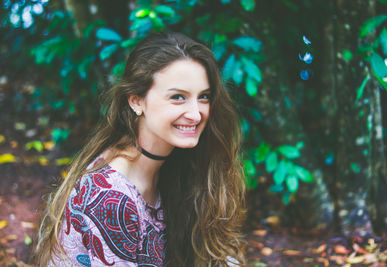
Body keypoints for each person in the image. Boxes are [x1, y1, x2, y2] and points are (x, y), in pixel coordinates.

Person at [35, 32, 246, 266]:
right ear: (136, 101)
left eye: (204, 97)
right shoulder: (112, 198)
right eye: (178, 97)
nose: (196, 114)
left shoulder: (175, 163)